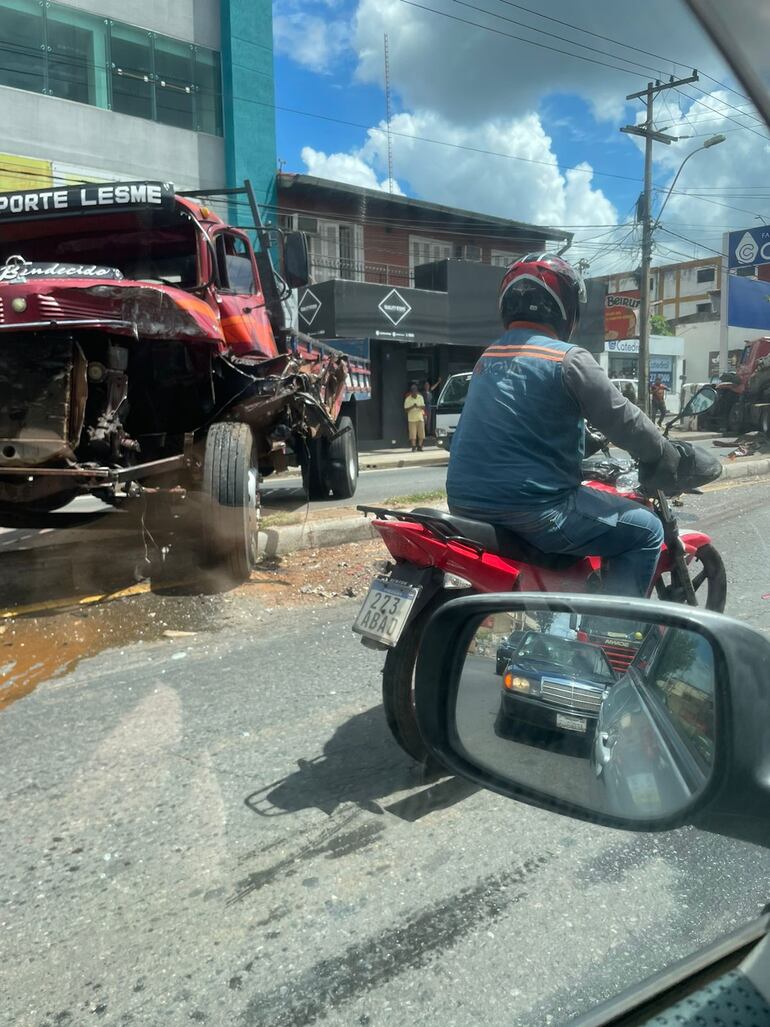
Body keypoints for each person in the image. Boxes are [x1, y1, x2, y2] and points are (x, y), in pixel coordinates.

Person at [446, 253, 681, 598]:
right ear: (565, 307)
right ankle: (615, 637)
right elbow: (623, 419)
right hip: (533, 511)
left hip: (465, 503)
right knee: (646, 529)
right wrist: (661, 450)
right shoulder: (568, 359)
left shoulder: (488, 358)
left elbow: (521, 421)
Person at [404, 381, 426, 451]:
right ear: (411, 392)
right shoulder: (407, 399)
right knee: (413, 435)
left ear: (417, 391)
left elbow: (423, 407)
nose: (414, 393)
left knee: (421, 434)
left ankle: (419, 446)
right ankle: (413, 447)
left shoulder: (420, 397)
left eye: (415, 391)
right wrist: (412, 406)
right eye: (413, 391)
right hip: (411, 419)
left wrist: (418, 406)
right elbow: (406, 410)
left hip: (420, 418)